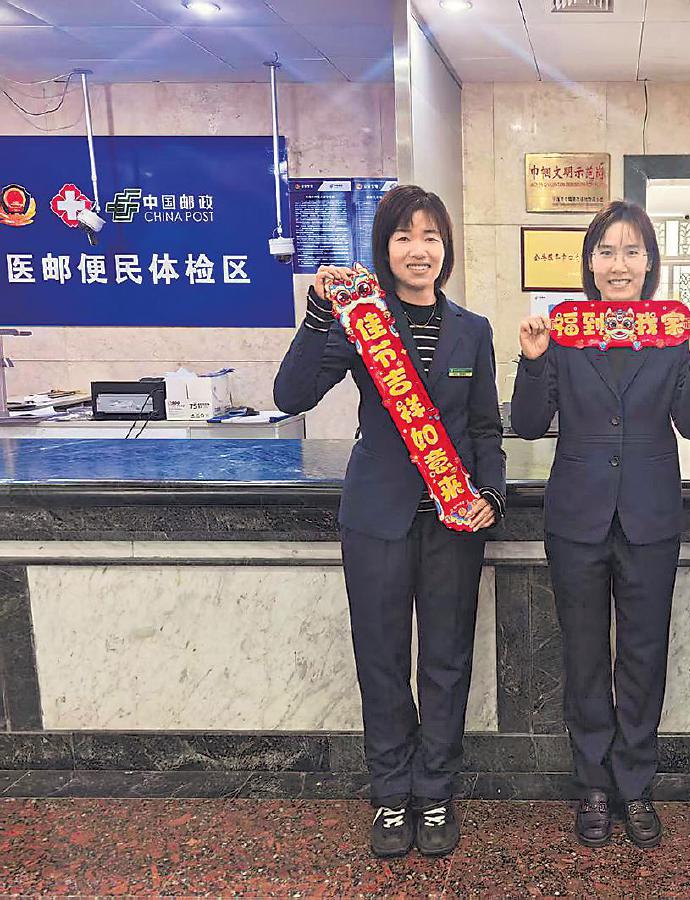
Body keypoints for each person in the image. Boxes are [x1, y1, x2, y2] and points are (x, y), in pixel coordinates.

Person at [273, 185, 506, 860]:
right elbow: (291, 395)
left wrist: (491, 493)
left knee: (446, 662)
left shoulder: (472, 330)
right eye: (404, 237)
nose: (418, 250)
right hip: (377, 518)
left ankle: (435, 791)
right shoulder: (362, 322)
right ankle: (391, 793)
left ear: (446, 248)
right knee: (381, 660)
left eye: (431, 236)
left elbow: (485, 428)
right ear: (385, 247)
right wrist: (320, 313)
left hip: (453, 523)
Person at [510, 200, 690, 849]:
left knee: (643, 655)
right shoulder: (563, 333)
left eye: (632, 251)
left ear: (650, 263)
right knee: (582, 656)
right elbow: (527, 425)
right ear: (590, 263)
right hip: (577, 516)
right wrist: (533, 359)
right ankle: (593, 785)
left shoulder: (674, 335)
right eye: (607, 251)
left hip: (650, 516)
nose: (619, 264)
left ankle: (636, 783)